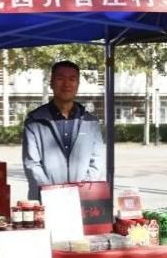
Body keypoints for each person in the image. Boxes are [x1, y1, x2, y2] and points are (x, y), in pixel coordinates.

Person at [22, 60, 105, 200]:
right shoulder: (35, 121)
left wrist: (80, 191)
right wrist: (53, 194)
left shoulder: (91, 122)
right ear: (51, 83)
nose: (66, 84)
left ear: (78, 84)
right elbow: (32, 164)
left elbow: (97, 162)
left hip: (82, 199)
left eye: (72, 79)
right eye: (60, 78)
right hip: (45, 200)